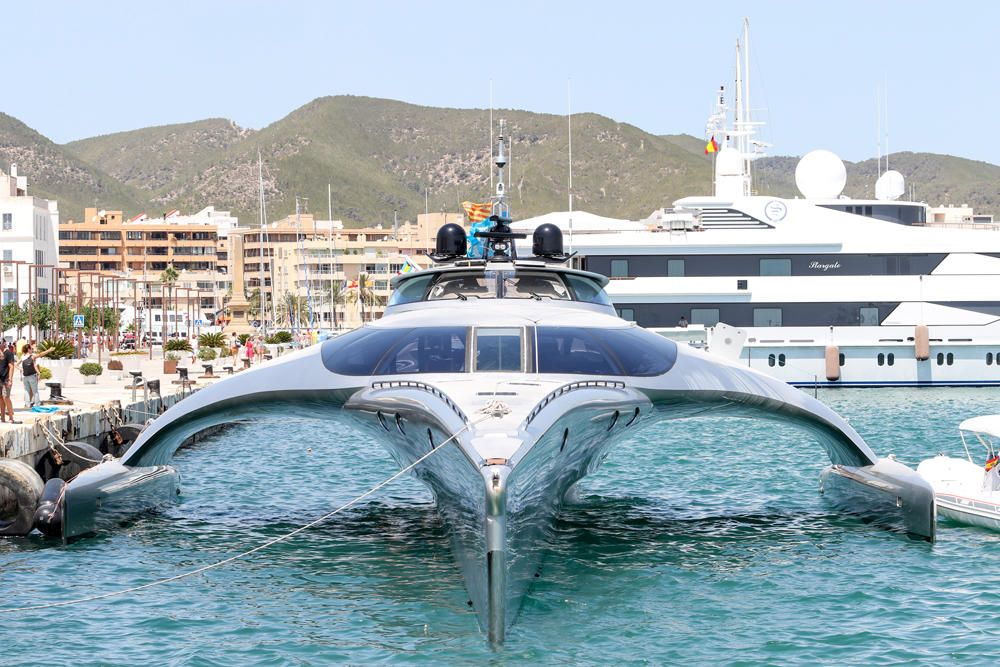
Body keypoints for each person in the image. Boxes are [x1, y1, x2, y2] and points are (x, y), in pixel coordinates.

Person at [20, 342, 51, 409]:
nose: (32, 350)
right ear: (28, 349)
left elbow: (16, 364)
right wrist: (49, 350)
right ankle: (37, 405)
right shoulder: (32, 356)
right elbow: (41, 354)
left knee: (26, 391)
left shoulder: (22, 356)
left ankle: (27, 405)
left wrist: (21, 370)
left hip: (25, 376)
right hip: (32, 376)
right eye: (31, 349)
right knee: (35, 391)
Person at [0, 340, 20, 424]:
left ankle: (11, 417)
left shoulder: (8, 353)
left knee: (6, 397)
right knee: (1, 398)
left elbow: (11, 367)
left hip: (6, 379)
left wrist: (10, 379)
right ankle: (3, 418)